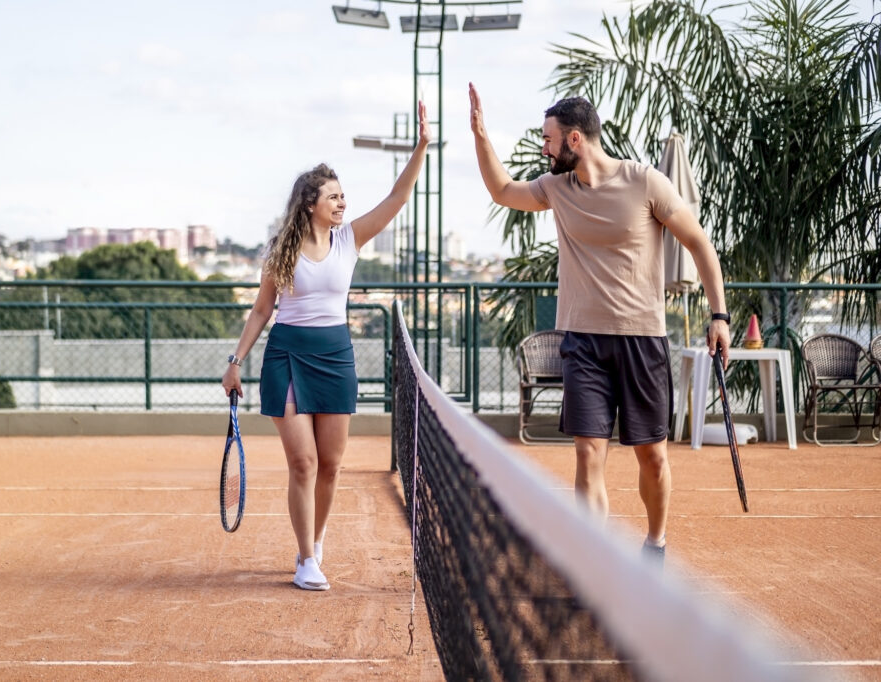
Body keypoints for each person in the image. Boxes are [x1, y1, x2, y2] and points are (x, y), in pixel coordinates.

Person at [468, 83, 731, 564]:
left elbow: (699, 243)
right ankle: (595, 563)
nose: (542, 149)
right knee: (589, 453)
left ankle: (655, 545)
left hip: (642, 342)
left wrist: (719, 316)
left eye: (548, 140)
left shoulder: (645, 181)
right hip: (582, 343)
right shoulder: (556, 189)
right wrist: (481, 134)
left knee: (652, 457)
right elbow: (502, 190)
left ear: (573, 141)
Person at [222, 102, 432, 590]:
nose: (342, 204)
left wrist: (421, 146)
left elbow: (398, 198)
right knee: (304, 462)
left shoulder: (351, 239)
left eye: (343, 197)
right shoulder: (283, 251)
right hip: (286, 357)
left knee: (332, 466)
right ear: (310, 203)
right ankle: (305, 559)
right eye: (333, 197)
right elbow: (261, 310)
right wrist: (236, 362)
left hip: (336, 356)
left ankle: (315, 543)